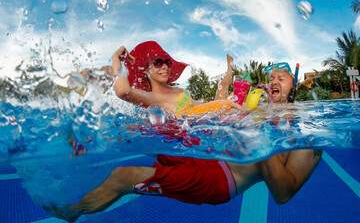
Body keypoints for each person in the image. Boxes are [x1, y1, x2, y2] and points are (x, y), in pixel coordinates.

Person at [44, 41, 322, 222]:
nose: (273, 80)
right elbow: (219, 100)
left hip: (220, 177)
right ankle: (83, 136)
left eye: (281, 78)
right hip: (205, 150)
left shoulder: (305, 126)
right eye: (270, 77)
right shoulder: (260, 109)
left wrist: (258, 136)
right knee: (139, 134)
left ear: (294, 85)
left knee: (122, 175)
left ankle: (71, 212)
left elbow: (284, 193)